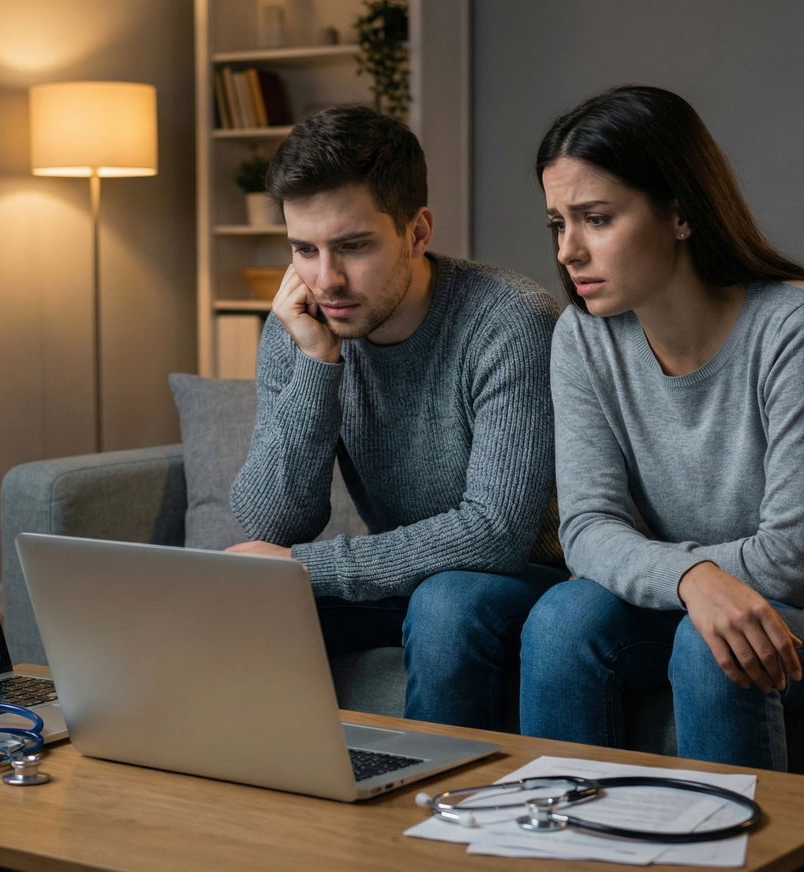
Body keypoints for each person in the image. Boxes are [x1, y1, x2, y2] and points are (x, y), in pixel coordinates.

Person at [520, 85, 804, 769]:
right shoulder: (583, 337)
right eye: (558, 224)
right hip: (706, 598)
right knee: (560, 621)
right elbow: (587, 529)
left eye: (597, 219)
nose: (570, 251)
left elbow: (789, 564)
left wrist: (687, 576)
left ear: (681, 214)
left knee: (711, 646)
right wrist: (693, 579)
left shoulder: (799, 325)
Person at [228, 105, 564, 731]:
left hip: (536, 578)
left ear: (416, 231)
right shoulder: (302, 328)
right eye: (304, 249)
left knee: (447, 604)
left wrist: (310, 567)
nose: (326, 280)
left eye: (353, 247)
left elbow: (495, 531)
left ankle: (442, 810)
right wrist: (318, 364)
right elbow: (273, 521)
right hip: (409, 577)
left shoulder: (508, 320)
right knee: (235, 600)